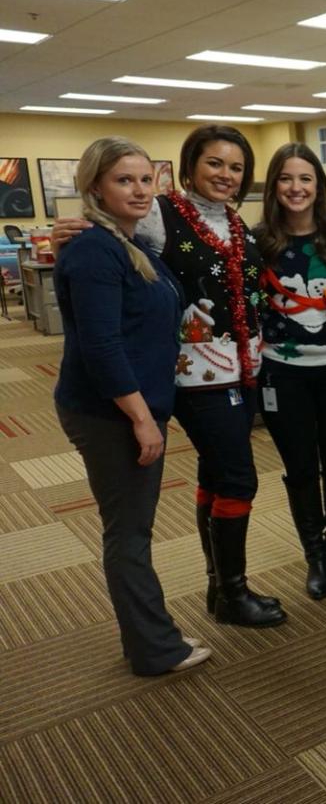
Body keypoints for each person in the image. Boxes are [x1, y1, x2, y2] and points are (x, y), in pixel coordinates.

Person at [54, 124, 286, 629]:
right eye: (214, 164)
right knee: (239, 478)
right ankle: (232, 592)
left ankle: (220, 587)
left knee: (218, 473)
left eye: (236, 167)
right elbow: (114, 233)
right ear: (188, 167)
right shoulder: (162, 213)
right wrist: (72, 229)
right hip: (197, 375)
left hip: (241, 370)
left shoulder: (234, 220)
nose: (226, 175)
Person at [53, 137, 210, 674]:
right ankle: (154, 649)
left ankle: (146, 636)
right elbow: (101, 346)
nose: (140, 190)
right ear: (95, 185)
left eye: (147, 179)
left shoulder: (124, 240)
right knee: (129, 533)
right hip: (111, 413)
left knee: (130, 529)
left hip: (129, 405)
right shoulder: (97, 247)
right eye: (124, 180)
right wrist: (142, 419)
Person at [256, 143, 326, 599]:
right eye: (286, 178)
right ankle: (315, 558)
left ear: (318, 185)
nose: (296, 188)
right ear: (274, 186)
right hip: (282, 372)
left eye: (305, 179)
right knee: (300, 467)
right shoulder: (258, 242)